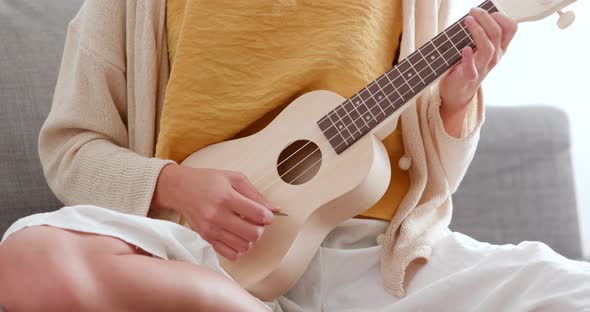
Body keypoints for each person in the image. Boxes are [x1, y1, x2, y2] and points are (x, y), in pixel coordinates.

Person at [0, 0, 589, 311]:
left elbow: (433, 181)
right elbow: (71, 150)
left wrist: (455, 105)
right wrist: (175, 186)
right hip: (189, 257)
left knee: (570, 290)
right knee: (27, 258)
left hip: (373, 264)